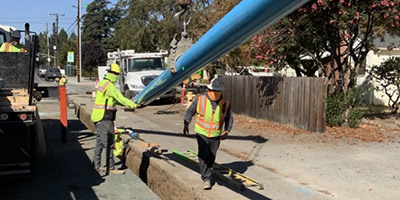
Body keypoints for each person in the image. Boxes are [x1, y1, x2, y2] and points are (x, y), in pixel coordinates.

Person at [183, 77, 233, 190]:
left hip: (216, 134)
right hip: (202, 132)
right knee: (203, 154)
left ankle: (208, 169)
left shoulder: (225, 103)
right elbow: (190, 111)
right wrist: (186, 123)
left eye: (217, 91)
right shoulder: (200, 99)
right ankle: (206, 178)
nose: (215, 93)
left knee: (211, 155)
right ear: (209, 90)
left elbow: (229, 117)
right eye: (213, 91)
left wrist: (227, 130)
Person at [91, 63, 137, 175]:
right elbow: (119, 97)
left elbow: (113, 100)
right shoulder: (110, 86)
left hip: (99, 117)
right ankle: (110, 167)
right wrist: (132, 104)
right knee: (109, 143)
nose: (117, 77)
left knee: (100, 142)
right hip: (105, 117)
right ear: (113, 74)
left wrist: (127, 102)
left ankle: (96, 164)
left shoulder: (104, 83)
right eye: (117, 74)